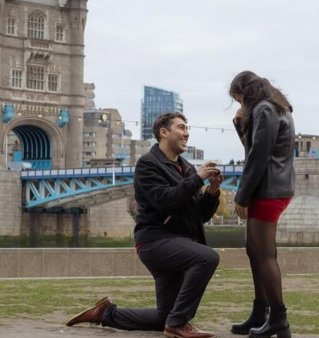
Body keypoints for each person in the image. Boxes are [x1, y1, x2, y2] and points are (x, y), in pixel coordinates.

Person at [66, 112, 224, 338]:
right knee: (207, 257)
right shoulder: (148, 165)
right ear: (164, 132)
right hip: (155, 241)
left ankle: (106, 313)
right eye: (181, 128)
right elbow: (164, 201)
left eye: (187, 128)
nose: (186, 133)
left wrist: (211, 191)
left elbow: (197, 215)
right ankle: (179, 324)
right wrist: (197, 179)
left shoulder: (187, 167)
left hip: (179, 243)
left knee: (163, 318)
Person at [229, 71, 295, 338]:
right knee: (255, 251)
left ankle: (278, 318)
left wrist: (241, 196)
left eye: (239, 99)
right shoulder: (273, 107)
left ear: (247, 91)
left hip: (268, 189)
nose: (239, 105)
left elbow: (257, 155)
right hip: (272, 187)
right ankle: (261, 312)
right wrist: (239, 125)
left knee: (264, 253)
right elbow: (254, 146)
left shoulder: (265, 109)